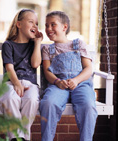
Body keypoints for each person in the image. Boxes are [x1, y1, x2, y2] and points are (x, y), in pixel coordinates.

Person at [39, 11, 98, 141]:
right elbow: (47, 72)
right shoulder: (47, 50)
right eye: (46, 25)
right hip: (58, 85)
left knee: (88, 105)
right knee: (48, 103)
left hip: (81, 84)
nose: (48, 29)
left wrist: (76, 80)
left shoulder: (78, 44)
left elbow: (88, 68)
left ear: (64, 27)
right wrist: (57, 82)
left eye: (53, 25)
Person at [0, 9, 43, 141]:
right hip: (11, 82)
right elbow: (9, 68)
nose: (35, 26)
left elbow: (35, 64)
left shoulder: (34, 45)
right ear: (19, 24)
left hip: (30, 84)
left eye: (36, 23)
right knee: (10, 99)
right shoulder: (8, 45)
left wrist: (38, 43)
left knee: (31, 100)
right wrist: (17, 84)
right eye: (31, 22)